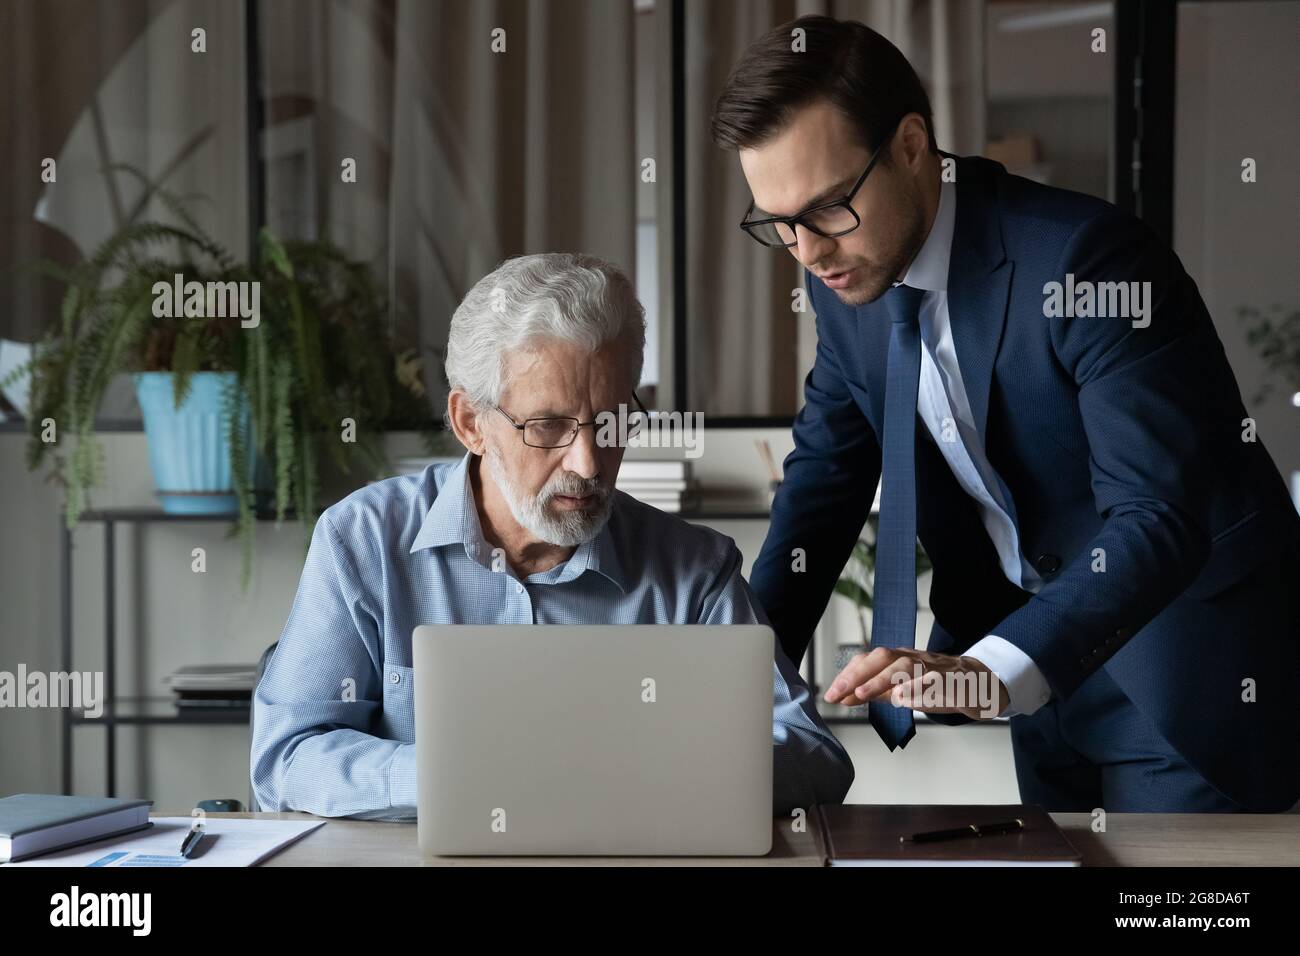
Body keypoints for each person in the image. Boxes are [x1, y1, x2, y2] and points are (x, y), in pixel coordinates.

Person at [713, 15, 1299, 811]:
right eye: (776, 224)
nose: (807, 251)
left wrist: (996, 667)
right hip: (1042, 681)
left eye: (825, 209)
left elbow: (1157, 514)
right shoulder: (842, 283)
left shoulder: (1087, 259)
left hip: (1178, 663)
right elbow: (822, 481)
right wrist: (731, 687)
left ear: (912, 145)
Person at [251, 252, 855, 819]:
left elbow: (812, 756)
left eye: (611, 422)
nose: (589, 464)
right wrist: (457, 777)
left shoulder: (692, 570)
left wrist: (643, 776)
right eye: (548, 426)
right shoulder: (362, 541)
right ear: (471, 424)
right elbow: (286, 759)